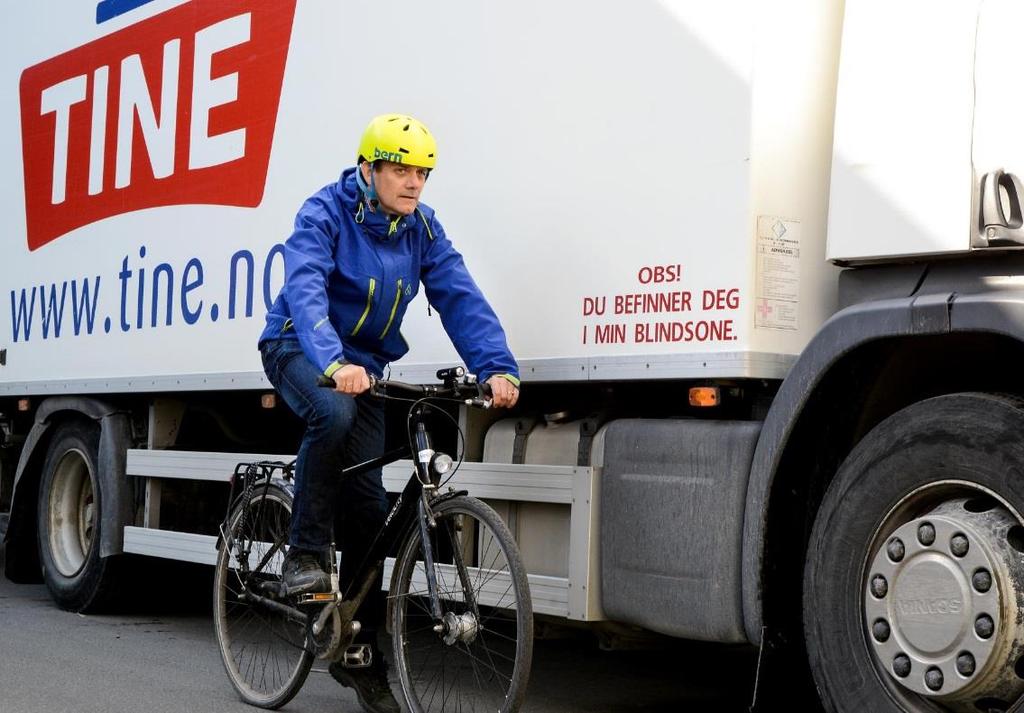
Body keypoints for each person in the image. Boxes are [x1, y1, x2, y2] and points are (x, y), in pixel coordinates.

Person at [258, 114, 520, 713]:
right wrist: (331, 363)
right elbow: (305, 289)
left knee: (371, 508)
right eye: (400, 169)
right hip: (300, 345)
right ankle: (302, 557)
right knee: (334, 416)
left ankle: (358, 650)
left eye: (422, 172)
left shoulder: (422, 229)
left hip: (366, 365)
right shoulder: (324, 212)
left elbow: (457, 293)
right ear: (369, 168)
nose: (413, 183)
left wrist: (496, 367)